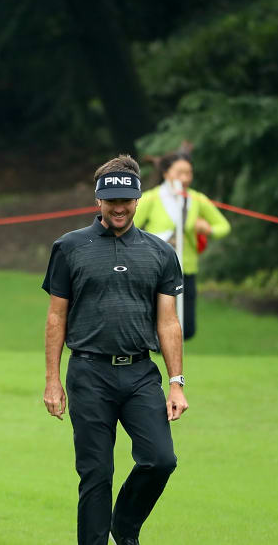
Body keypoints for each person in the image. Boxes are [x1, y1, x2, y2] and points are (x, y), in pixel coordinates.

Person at [42, 155, 189, 545]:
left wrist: (176, 382)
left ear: (138, 199)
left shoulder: (160, 252)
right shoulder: (69, 247)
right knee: (96, 473)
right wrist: (52, 380)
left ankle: (124, 525)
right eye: (111, 201)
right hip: (89, 373)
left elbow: (168, 322)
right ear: (98, 200)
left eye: (126, 200)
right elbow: (56, 317)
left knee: (161, 459)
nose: (119, 208)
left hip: (141, 373)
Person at [133, 152, 230, 340]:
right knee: (157, 326)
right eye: (180, 173)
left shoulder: (197, 199)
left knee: (187, 328)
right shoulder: (151, 198)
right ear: (166, 173)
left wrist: (207, 229)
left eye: (189, 173)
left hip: (187, 269)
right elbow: (129, 227)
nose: (185, 178)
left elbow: (223, 226)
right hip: (156, 269)